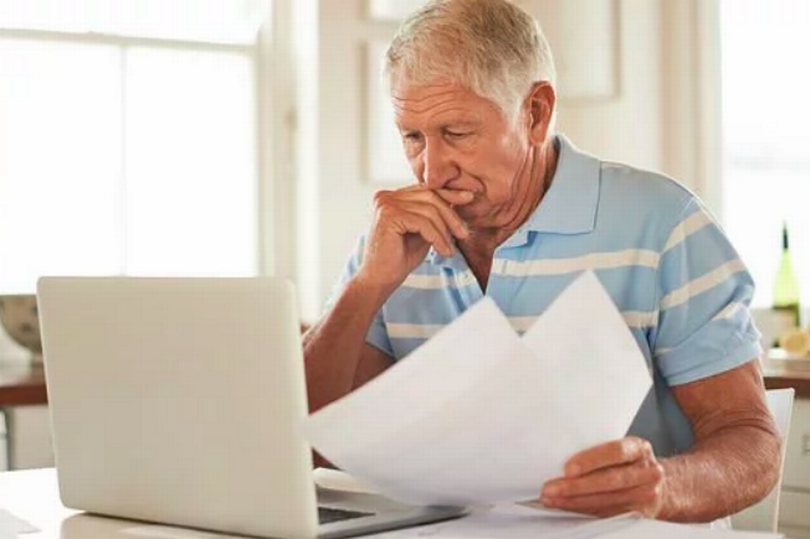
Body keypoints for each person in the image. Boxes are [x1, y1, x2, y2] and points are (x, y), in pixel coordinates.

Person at [303, 0, 780, 523]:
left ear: (535, 113)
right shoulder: (391, 241)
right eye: (412, 137)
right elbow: (305, 444)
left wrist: (660, 486)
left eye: (456, 134)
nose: (431, 170)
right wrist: (367, 286)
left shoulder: (664, 224)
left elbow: (752, 444)